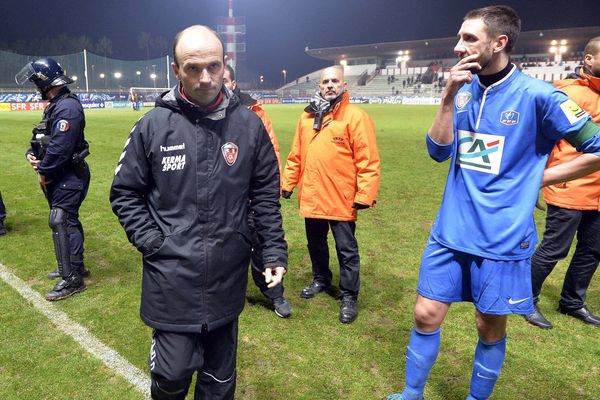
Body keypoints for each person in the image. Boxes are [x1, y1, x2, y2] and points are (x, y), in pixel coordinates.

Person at [387, 6, 600, 400]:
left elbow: (597, 147)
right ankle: (411, 394)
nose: (457, 46)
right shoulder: (463, 90)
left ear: (499, 42)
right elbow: (437, 151)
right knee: (425, 314)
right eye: (460, 37)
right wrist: (448, 97)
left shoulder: (541, 96)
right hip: (450, 230)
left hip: (502, 239)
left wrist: (538, 178)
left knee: (489, 326)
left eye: (469, 38)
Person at [109, 25, 287, 400]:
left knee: (220, 383)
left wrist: (271, 252)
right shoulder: (153, 126)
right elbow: (125, 193)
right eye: (193, 68)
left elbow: (265, 196)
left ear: (225, 65)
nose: (205, 78)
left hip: (227, 276)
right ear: (176, 71)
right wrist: (156, 243)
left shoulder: (249, 126)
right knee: (171, 378)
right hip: (171, 278)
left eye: (213, 66)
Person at [281, 65, 380, 324]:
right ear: (319, 85)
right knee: (315, 244)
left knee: (346, 250)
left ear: (344, 85)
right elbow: (296, 155)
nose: (330, 85)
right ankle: (321, 279)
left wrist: (365, 193)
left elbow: (368, 159)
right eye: (325, 81)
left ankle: (349, 295)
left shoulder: (355, 116)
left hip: (341, 198)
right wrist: (288, 183)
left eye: (335, 81)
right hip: (312, 195)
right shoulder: (306, 118)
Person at [524, 36, 600, 329]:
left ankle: (572, 302)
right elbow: (540, 142)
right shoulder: (568, 94)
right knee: (554, 249)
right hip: (569, 189)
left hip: (598, 193)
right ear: (589, 59)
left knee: (593, 250)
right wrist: (533, 184)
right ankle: (526, 299)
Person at [15, 58, 91, 301]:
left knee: (62, 221)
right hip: (61, 174)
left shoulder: (67, 107)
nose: (34, 84)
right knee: (67, 220)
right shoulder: (56, 104)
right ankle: (74, 266)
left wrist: (44, 171)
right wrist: (31, 154)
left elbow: (60, 148)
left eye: (36, 80)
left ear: (44, 80)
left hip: (68, 175)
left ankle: (72, 279)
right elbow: (42, 135)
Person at [222, 64, 292, 318]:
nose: (220, 84)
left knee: (263, 242)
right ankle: (227, 292)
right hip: (224, 196)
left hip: (252, 192)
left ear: (233, 83)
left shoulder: (255, 112)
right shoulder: (206, 113)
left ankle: (275, 294)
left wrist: (270, 187)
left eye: (225, 80)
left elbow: (270, 152)